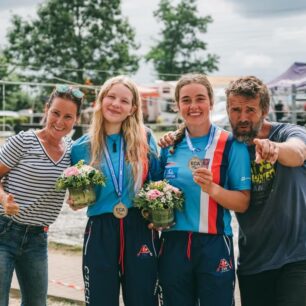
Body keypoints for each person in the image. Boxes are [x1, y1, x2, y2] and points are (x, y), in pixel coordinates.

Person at [158, 74, 251, 306]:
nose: (193, 106)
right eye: (186, 100)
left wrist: (213, 189)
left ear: (210, 102)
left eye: (200, 98)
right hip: (173, 243)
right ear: (177, 105)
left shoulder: (231, 145)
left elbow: (242, 202)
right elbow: (154, 193)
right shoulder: (169, 147)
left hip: (214, 244)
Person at [70, 75, 160, 306]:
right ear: (101, 100)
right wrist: (75, 200)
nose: (116, 104)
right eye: (111, 97)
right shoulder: (81, 147)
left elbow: (157, 182)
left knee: (144, 300)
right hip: (101, 230)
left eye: (124, 100)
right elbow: (76, 191)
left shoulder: (145, 138)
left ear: (132, 108)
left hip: (139, 227)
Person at [225, 76, 306, 306]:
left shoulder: (288, 133)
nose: (242, 117)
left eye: (250, 109)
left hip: (297, 258)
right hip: (253, 262)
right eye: (236, 109)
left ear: (265, 110)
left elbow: (298, 152)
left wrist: (275, 149)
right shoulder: (229, 146)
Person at [0, 85, 83, 306]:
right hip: (4, 231)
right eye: (55, 113)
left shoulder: (72, 152)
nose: (60, 121)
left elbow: (77, 187)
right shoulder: (23, 141)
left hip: (37, 238)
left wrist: (77, 199)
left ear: (76, 119)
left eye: (68, 116)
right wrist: (3, 199)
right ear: (46, 109)